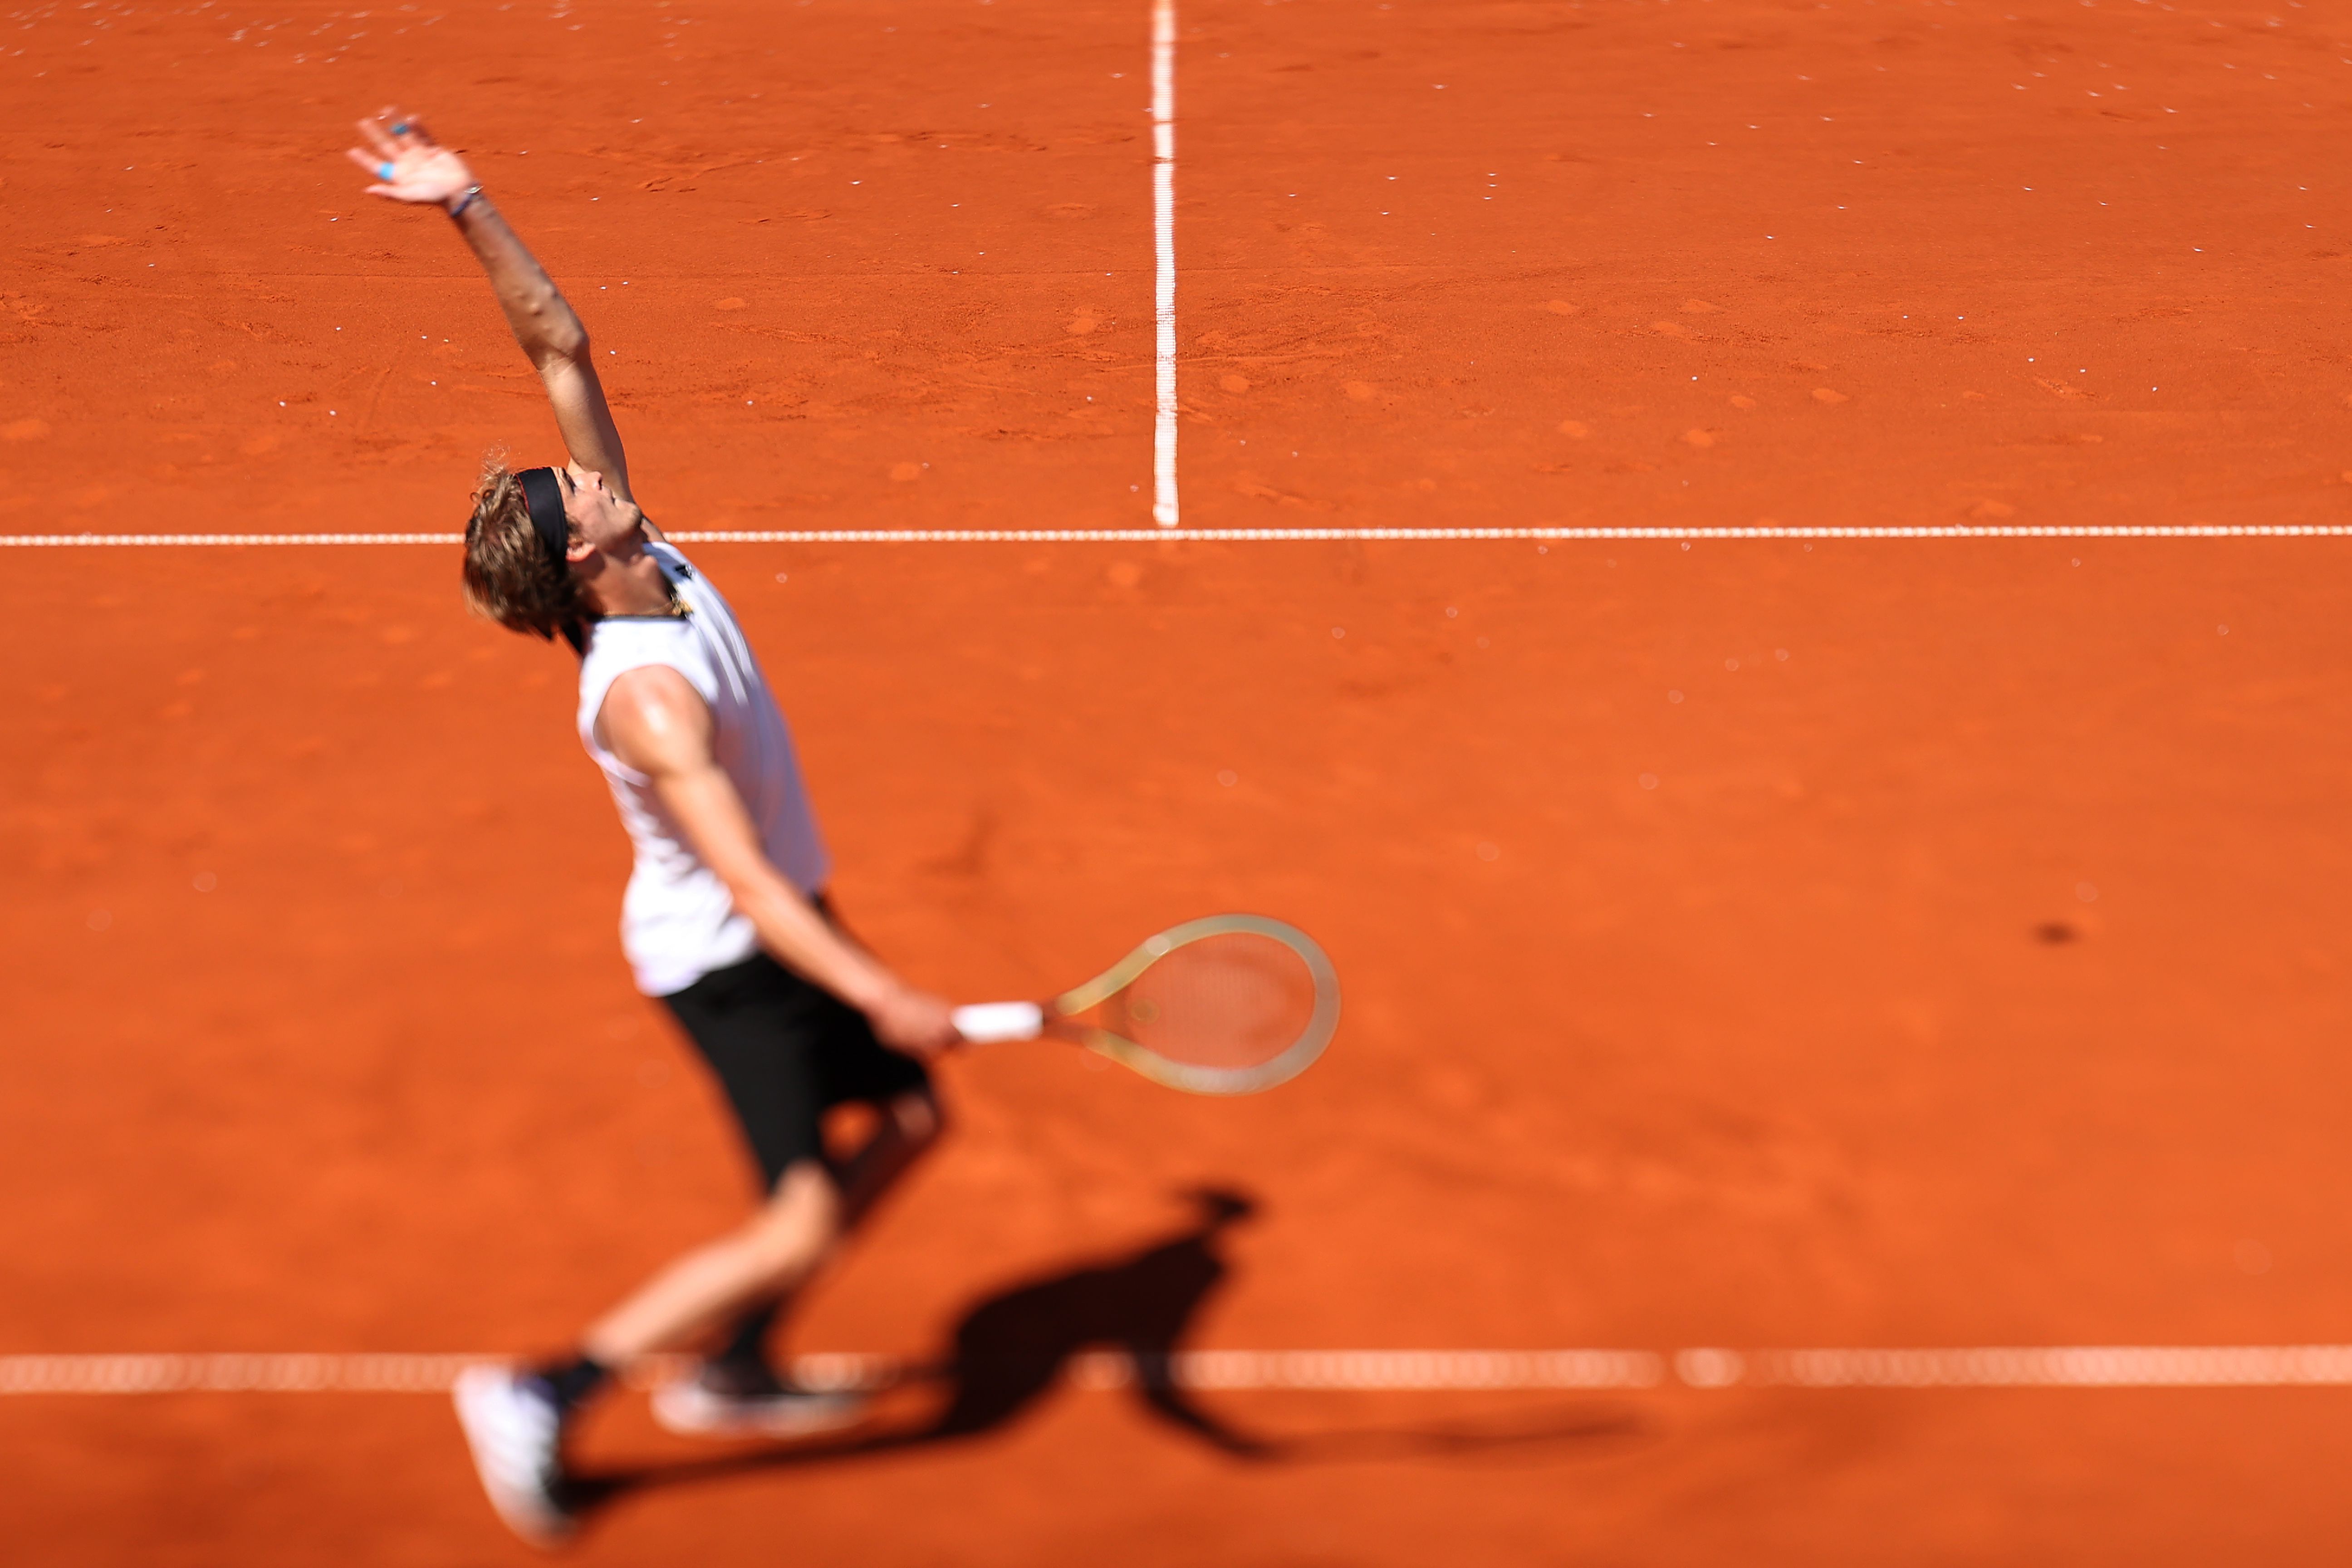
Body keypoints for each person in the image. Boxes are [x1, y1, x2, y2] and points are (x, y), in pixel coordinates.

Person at [346, 108, 963, 1545]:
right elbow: (741, 874)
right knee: (801, 1215)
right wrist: (876, 988)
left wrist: (467, 204)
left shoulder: (647, 557)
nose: (595, 471)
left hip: (779, 913)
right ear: (581, 555)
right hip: (730, 957)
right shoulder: (649, 700)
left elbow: (559, 346)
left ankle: (735, 1366)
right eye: (578, 488)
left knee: (913, 1120)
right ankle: (546, 1390)